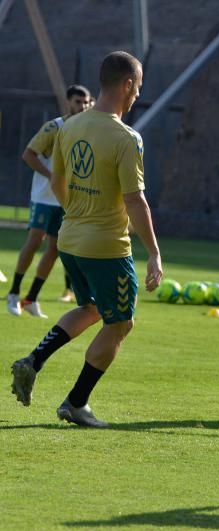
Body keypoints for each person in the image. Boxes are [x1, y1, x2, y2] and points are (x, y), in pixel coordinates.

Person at [10, 51, 163, 428]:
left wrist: (76, 211)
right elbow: (135, 199)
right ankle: (76, 403)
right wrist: (155, 253)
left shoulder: (69, 127)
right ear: (127, 84)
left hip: (70, 240)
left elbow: (57, 181)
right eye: (138, 87)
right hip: (107, 247)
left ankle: (33, 361)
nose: (137, 95)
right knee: (121, 323)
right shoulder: (127, 138)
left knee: (93, 308)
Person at [7, 85, 92, 317]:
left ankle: (31, 298)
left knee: (55, 249)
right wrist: (52, 176)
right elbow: (28, 154)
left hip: (66, 200)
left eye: (85, 102)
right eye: (77, 102)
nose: (82, 106)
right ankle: (13, 293)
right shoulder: (55, 127)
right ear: (68, 103)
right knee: (34, 241)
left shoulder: (88, 130)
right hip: (44, 197)